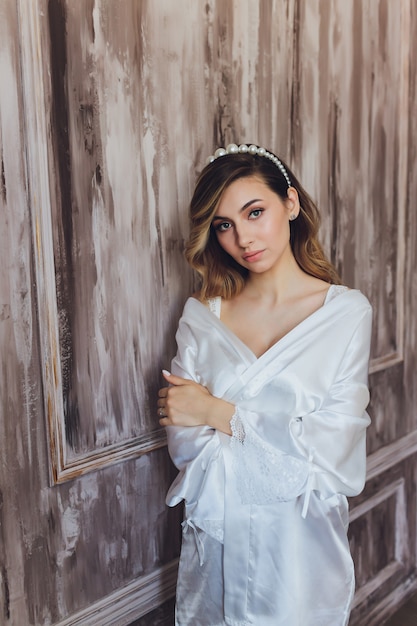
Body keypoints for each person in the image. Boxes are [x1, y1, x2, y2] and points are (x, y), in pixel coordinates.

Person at [157, 143, 372, 626]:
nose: (243, 239)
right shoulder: (202, 317)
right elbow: (185, 441)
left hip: (301, 551)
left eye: (255, 212)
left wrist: (220, 414)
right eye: (224, 225)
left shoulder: (345, 314)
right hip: (218, 544)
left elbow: (335, 452)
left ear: (290, 203)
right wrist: (282, 437)